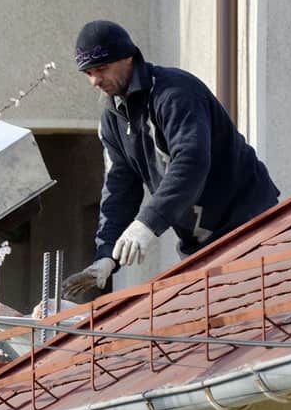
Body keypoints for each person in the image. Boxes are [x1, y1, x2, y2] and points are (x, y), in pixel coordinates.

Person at [62, 20, 279, 299]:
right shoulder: (113, 119)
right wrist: (106, 256)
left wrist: (147, 223)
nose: (94, 80)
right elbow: (118, 189)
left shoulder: (175, 92)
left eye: (101, 68)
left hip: (250, 222)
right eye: (88, 73)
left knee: (263, 317)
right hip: (200, 244)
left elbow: (191, 162)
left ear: (128, 56)